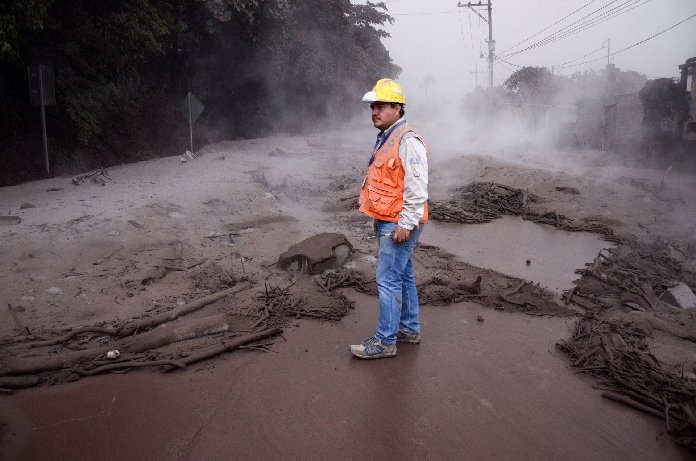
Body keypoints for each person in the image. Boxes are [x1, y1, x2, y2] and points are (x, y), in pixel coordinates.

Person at [349, 78, 429, 359]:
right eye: (373, 106)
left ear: (397, 108)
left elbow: (417, 189)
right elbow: (387, 183)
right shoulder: (388, 137)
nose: (374, 111)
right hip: (390, 220)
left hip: (400, 223)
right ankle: (408, 328)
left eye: (381, 106)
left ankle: (384, 341)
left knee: (387, 279)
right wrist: (378, 216)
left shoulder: (408, 140)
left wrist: (405, 224)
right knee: (403, 275)